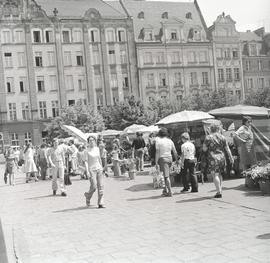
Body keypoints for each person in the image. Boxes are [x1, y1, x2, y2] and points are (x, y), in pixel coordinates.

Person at [203, 123, 234, 198]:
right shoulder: (222, 137)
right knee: (219, 174)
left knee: (215, 175)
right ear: (218, 129)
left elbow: (204, 149)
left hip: (212, 158)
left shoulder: (208, 138)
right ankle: (220, 189)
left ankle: (218, 191)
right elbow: (227, 149)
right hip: (222, 157)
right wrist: (231, 157)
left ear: (211, 129)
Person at [155, 127, 178, 197]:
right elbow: (174, 151)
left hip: (163, 159)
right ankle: (165, 190)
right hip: (170, 158)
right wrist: (176, 160)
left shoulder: (158, 141)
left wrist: (156, 162)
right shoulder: (170, 141)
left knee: (166, 176)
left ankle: (170, 192)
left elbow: (157, 152)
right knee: (166, 175)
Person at [84, 135, 105, 208]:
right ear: (88, 142)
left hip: (99, 168)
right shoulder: (86, 151)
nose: (91, 141)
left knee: (101, 186)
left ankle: (100, 202)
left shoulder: (97, 149)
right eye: (90, 140)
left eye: (93, 140)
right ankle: (88, 196)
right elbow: (86, 162)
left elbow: (99, 158)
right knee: (94, 186)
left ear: (95, 141)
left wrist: (102, 168)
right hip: (91, 170)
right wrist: (87, 171)